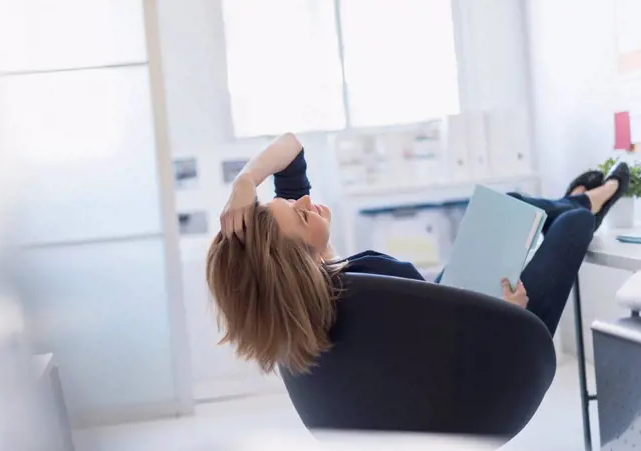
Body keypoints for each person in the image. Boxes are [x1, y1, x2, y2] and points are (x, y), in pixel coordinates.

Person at [206, 133, 630, 374]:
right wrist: (510, 315)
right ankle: (598, 196)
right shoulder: (368, 281)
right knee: (570, 225)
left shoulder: (315, 291)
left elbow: (291, 149)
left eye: (290, 200)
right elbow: (447, 358)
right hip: (500, 334)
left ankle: (574, 199)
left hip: (456, 303)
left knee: (513, 206)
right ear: (297, 262)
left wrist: (245, 183)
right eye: (299, 215)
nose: (304, 202)